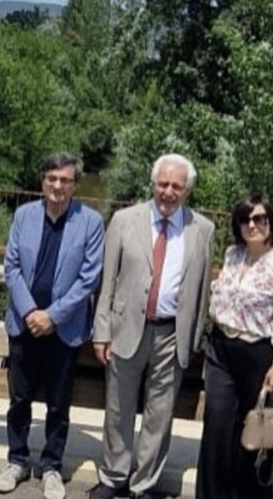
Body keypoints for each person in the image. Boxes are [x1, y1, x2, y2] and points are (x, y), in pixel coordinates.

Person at [90, 154, 215, 499]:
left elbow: (203, 289)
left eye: (177, 186)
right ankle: (113, 476)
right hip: (126, 328)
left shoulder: (202, 230)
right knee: (118, 408)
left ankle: (143, 484)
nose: (168, 192)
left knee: (160, 414)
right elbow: (107, 281)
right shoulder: (124, 220)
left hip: (172, 334)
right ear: (152, 184)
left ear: (187, 190)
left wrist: (194, 338)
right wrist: (102, 331)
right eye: (163, 184)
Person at [0, 153, 104, 499]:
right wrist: (30, 312)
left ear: (75, 185)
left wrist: (52, 316)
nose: (57, 185)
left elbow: (89, 278)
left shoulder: (91, 222)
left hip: (63, 329)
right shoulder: (24, 215)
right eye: (52, 178)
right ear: (42, 181)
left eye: (65, 180)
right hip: (24, 324)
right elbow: (11, 266)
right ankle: (17, 460)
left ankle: (52, 466)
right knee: (19, 399)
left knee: (58, 405)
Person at [196, 194, 273, 499]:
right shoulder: (233, 255)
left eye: (259, 219)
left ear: (272, 223)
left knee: (254, 431)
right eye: (245, 219)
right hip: (221, 348)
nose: (252, 225)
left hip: (258, 353)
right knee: (216, 426)